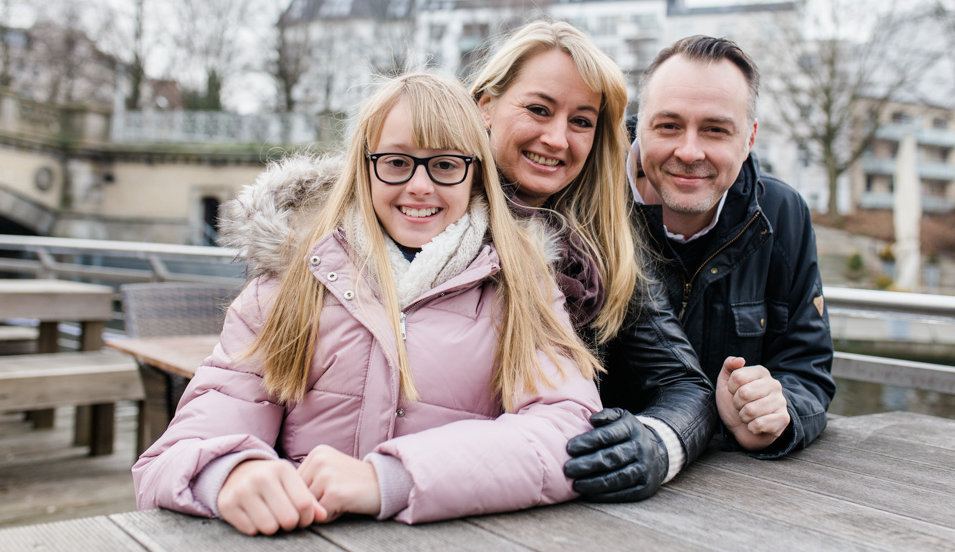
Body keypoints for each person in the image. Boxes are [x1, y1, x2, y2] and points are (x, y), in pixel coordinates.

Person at [132, 73, 603, 534]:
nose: (420, 186)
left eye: (445, 165)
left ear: (475, 175)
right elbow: (171, 457)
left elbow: (568, 434)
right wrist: (228, 473)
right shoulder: (287, 287)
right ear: (365, 167)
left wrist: (391, 479)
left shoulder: (523, 288)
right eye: (397, 162)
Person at [470, 20, 716, 501]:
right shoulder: (414, 208)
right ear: (486, 106)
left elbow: (686, 385)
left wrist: (657, 443)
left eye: (581, 121)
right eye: (539, 110)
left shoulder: (603, 248)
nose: (558, 139)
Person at [628, 35, 836, 457]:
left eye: (715, 130)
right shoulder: (588, 203)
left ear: (749, 139)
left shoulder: (782, 214)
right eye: (668, 126)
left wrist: (776, 412)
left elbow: (807, 369)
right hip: (608, 471)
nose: (689, 151)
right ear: (639, 124)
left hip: (738, 493)